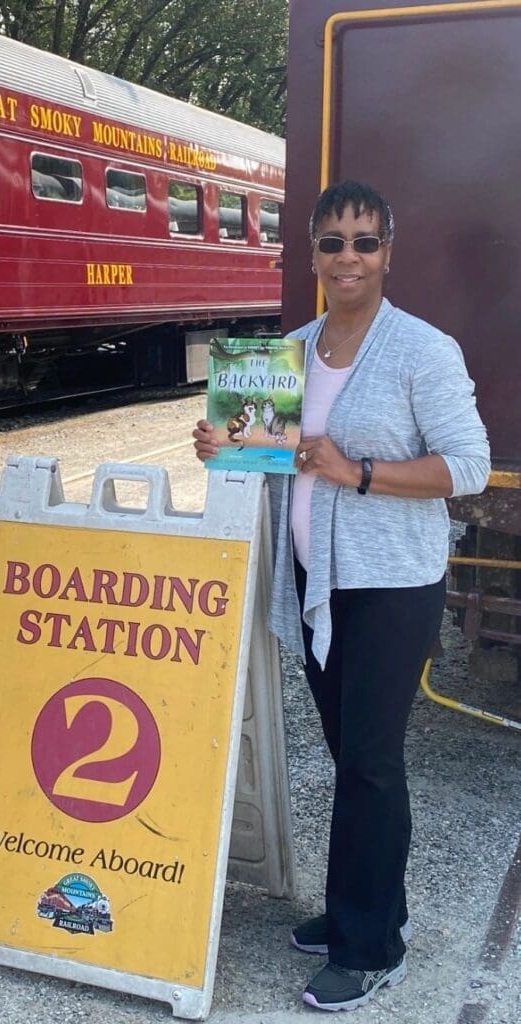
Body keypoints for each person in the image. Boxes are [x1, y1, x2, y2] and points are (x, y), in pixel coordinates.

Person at [193, 180, 490, 1012]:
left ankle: (370, 947)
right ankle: (367, 906)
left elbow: (463, 467)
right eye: (332, 242)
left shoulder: (421, 351)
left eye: (364, 241)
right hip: (315, 579)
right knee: (349, 756)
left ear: (388, 251)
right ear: (312, 255)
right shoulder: (289, 350)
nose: (348, 257)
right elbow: (273, 457)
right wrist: (222, 445)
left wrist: (354, 472)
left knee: (368, 763)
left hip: (389, 585)